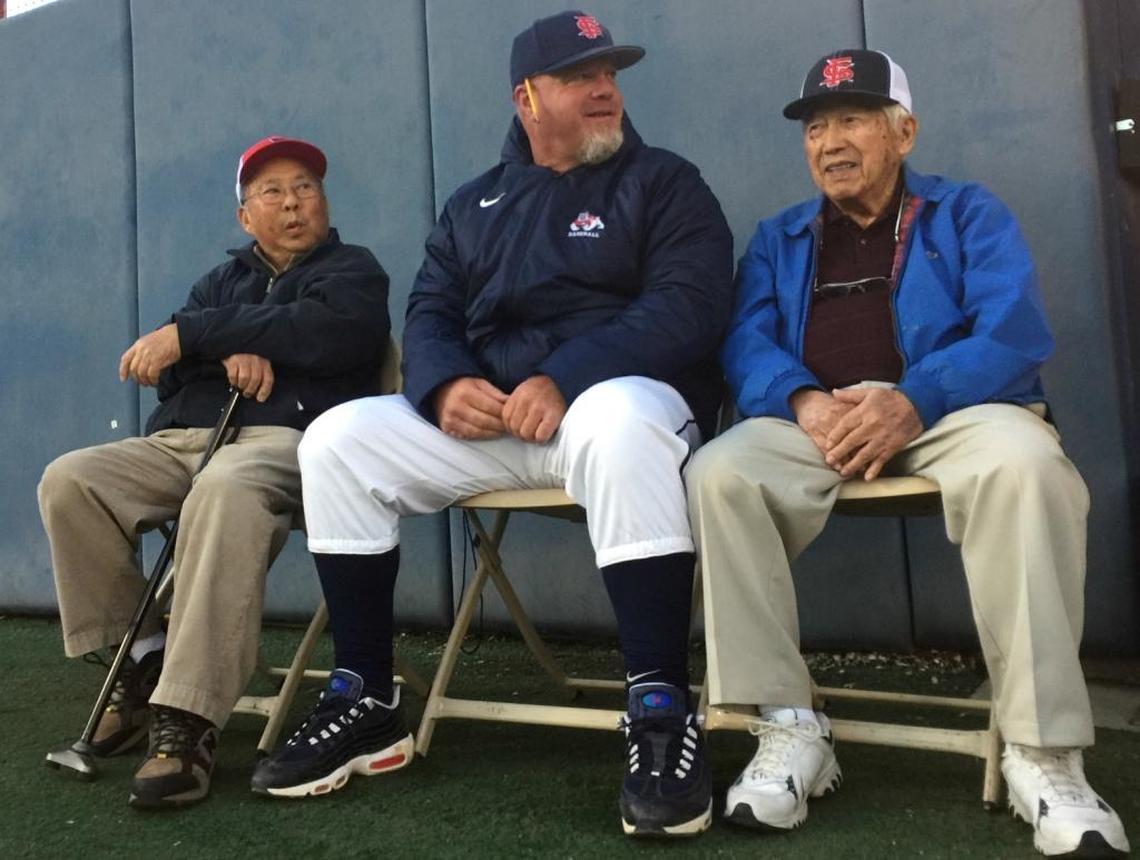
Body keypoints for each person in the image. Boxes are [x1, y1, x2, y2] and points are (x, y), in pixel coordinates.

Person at [251, 10, 733, 838]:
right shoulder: (475, 201)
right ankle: (369, 693)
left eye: (610, 74)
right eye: (582, 77)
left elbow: (689, 308)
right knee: (337, 438)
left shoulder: (664, 180)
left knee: (619, 418)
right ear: (527, 98)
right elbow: (430, 309)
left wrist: (570, 374)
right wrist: (441, 387)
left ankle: (660, 709)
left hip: (612, 410)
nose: (605, 89)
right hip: (489, 423)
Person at [685, 49, 1130, 856]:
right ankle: (787, 726)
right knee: (719, 473)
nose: (830, 143)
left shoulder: (967, 212)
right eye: (816, 127)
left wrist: (914, 398)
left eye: (852, 119)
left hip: (948, 412)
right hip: (814, 422)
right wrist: (803, 399)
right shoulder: (780, 237)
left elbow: (1014, 330)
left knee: (1028, 467)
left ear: (905, 131)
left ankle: (1040, 747)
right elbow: (745, 340)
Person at [38, 136, 391, 809]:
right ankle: (142, 658)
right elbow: (164, 367)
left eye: (305, 187)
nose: (292, 202)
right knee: (70, 480)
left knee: (223, 490)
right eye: (272, 192)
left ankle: (188, 720)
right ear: (245, 216)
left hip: (288, 439)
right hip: (189, 437)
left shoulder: (353, 270)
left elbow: (329, 336)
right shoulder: (220, 281)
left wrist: (214, 335)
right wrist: (229, 348)